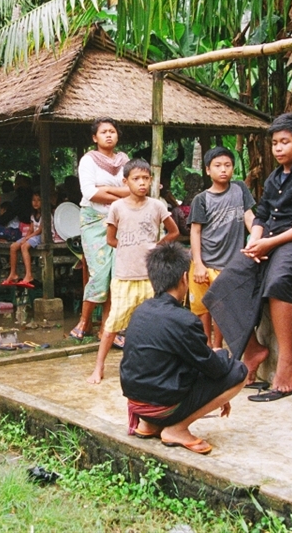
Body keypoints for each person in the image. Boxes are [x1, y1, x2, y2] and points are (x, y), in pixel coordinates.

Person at [203, 113, 292, 400]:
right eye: (275, 143)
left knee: (277, 282)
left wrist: (270, 242)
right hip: (268, 240)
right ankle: (253, 350)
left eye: (284, 142)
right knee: (220, 288)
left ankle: (286, 363)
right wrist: (255, 239)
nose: (278, 148)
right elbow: (261, 214)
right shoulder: (275, 177)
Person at [119, 242, 247, 455]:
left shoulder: (140, 311)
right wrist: (220, 356)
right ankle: (177, 429)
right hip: (162, 406)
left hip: (137, 403)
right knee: (239, 371)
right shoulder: (184, 320)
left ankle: (149, 426)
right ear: (184, 278)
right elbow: (215, 369)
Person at [87, 159, 178, 384]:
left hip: (150, 278)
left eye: (146, 178)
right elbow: (110, 239)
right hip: (124, 277)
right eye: (136, 179)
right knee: (113, 324)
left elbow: (173, 232)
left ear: (151, 180)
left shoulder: (157, 206)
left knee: (154, 324)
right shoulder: (117, 207)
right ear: (125, 182)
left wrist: (156, 247)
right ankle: (98, 366)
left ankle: (158, 366)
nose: (142, 183)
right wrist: (129, 248)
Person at [188, 147, 256, 349]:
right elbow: (195, 232)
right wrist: (198, 264)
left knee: (222, 308)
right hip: (205, 262)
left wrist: (256, 239)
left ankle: (217, 347)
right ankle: (205, 345)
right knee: (202, 308)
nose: (223, 170)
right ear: (208, 170)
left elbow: (249, 217)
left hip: (229, 264)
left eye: (228, 165)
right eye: (217, 166)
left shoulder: (240, 189)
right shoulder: (201, 199)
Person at [70, 118, 130, 340]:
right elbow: (90, 193)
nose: (108, 135)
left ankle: (107, 327)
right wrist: (121, 194)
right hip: (94, 221)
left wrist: (105, 189)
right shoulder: (88, 160)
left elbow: (134, 189)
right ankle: (84, 321)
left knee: (116, 273)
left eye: (112, 131)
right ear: (95, 138)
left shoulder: (125, 160)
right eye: (103, 132)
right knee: (100, 272)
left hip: (120, 221)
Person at [2, 190, 43, 288]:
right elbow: (31, 229)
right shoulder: (33, 215)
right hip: (32, 235)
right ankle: (13, 274)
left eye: (38, 200)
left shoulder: (45, 215)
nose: (36, 202)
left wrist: (27, 238)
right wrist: (25, 237)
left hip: (42, 236)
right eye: (34, 200)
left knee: (24, 246)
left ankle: (29, 275)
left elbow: (40, 230)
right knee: (13, 247)